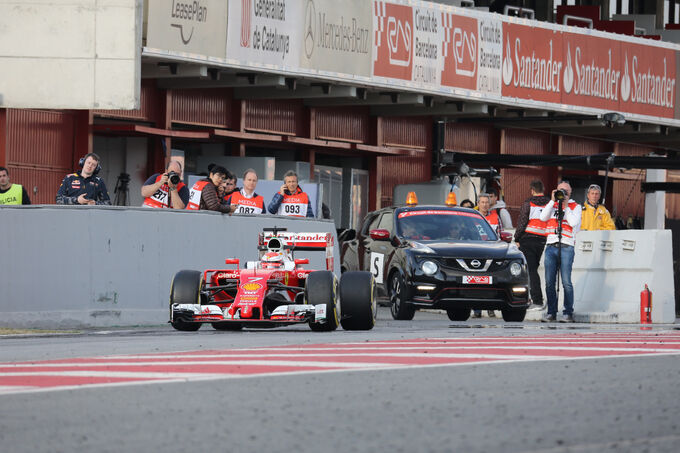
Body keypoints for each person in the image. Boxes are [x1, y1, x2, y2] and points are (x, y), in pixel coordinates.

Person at [539, 181, 582, 323]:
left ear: (570, 193)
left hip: (567, 246)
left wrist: (566, 205)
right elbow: (542, 217)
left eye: (566, 192)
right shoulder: (552, 205)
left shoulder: (576, 207)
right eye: (560, 191)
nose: (563, 194)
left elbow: (573, 222)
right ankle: (551, 312)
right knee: (549, 282)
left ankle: (568, 312)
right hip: (551, 245)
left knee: (566, 282)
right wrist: (552, 201)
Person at [514, 180, 550, 309]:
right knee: (534, 268)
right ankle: (537, 299)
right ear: (543, 189)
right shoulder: (549, 203)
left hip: (527, 239)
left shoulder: (528, 202)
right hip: (542, 240)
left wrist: (516, 237)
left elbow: (522, 222)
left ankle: (537, 300)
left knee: (531, 270)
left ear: (532, 190)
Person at [473, 193, 497, 318]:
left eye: (486, 202)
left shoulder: (495, 218)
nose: (484, 205)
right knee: (476, 282)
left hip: (491, 253)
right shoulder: (472, 218)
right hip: (475, 253)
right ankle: (477, 310)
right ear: (478, 204)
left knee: (490, 282)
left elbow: (499, 234)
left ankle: (490, 308)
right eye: (482, 202)